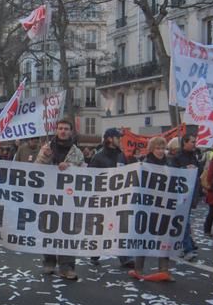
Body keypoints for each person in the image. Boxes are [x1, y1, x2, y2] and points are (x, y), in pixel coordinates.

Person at [35, 119, 84, 280]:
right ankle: (49, 262)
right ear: (56, 130)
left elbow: (84, 172)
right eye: (60, 128)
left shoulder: (77, 152)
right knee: (48, 229)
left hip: (69, 198)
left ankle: (67, 266)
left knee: (68, 232)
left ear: (71, 132)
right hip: (49, 196)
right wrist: (46, 159)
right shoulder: (46, 149)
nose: (63, 131)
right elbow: (36, 171)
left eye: (66, 128)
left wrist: (70, 168)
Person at [88, 128, 134, 268]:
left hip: (119, 198)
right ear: (109, 139)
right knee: (101, 227)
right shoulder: (98, 157)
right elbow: (91, 177)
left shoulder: (121, 156)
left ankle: (125, 258)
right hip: (103, 198)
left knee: (120, 227)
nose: (120, 140)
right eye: (117, 137)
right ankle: (95, 254)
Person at [128, 137, 173, 281]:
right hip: (149, 207)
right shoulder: (145, 164)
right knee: (145, 238)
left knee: (165, 239)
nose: (160, 151)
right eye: (157, 148)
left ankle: (164, 270)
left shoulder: (169, 163)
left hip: (165, 206)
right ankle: (138, 269)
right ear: (151, 150)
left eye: (162, 148)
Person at [168, 134, 199, 261]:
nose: (194, 144)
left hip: (191, 192)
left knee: (181, 222)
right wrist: (184, 169)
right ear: (185, 143)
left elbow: (199, 171)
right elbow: (172, 173)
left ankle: (180, 246)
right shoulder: (177, 157)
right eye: (192, 141)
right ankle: (188, 248)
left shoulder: (194, 156)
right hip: (179, 195)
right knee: (183, 222)